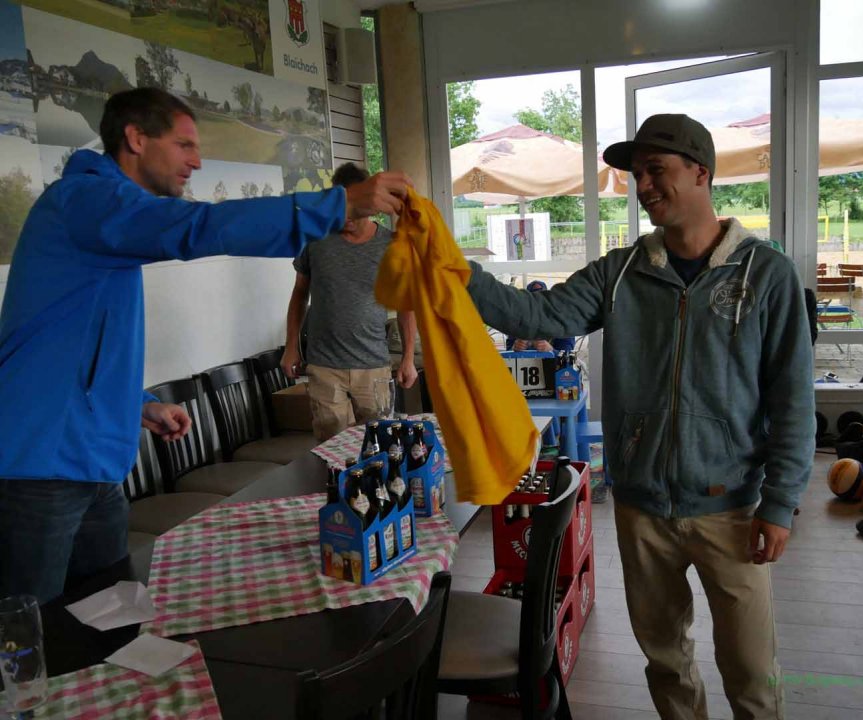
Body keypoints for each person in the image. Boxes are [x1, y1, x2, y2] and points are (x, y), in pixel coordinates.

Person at [463, 114, 814, 719]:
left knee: (751, 669)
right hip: (641, 505)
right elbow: (535, 318)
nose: (643, 184)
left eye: (657, 170)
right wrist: (457, 272)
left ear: (701, 172)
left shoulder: (766, 275)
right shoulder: (619, 272)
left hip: (731, 505)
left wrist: (780, 503)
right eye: (636, 173)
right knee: (666, 661)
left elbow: (793, 399)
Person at [0, 88, 410, 604]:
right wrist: (340, 204)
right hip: (43, 462)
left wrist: (139, 404)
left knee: (109, 617)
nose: (196, 160)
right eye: (184, 144)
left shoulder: (105, 217)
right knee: (27, 635)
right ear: (136, 138)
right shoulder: (83, 202)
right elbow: (198, 228)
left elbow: (73, 342)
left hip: (94, 460)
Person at [280, 162, 419, 442]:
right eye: (340, 205)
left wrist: (408, 358)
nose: (346, 215)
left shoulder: (390, 245)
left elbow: (406, 304)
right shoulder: (316, 240)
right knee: (333, 451)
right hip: (324, 367)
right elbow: (299, 294)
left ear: (371, 205)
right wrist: (291, 346)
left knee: (381, 447)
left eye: (354, 206)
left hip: (374, 367)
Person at [505, 280, 575, 354]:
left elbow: (568, 354)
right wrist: (514, 348)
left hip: (554, 365)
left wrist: (551, 350)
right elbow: (507, 353)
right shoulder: (517, 322)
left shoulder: (562, 321)